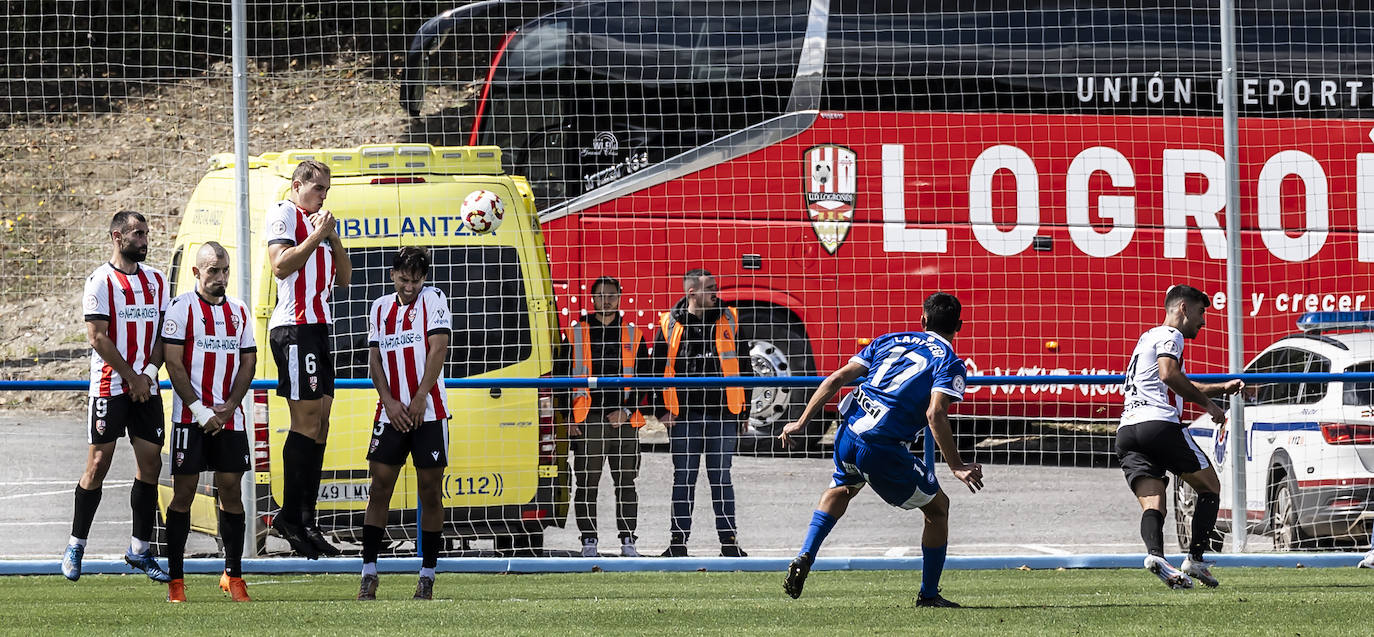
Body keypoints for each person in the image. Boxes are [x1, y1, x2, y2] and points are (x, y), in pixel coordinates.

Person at [778, 292, 983, 608]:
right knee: (938, 508)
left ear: (922, 320)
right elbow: (935, 414)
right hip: (883, 447)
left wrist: (801, 422)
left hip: (849, 432)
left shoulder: (890, 339)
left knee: (842, 487)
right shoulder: (950, 362)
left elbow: (836, 378)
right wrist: (956, 465)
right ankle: (928, 595)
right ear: (959, 326)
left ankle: (806, 552)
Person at [63, 210, 172, 583]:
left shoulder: (157, 280)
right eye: (137, 234)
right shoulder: (100, 281)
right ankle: (77, 544)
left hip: (146, 386)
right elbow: (98, 338)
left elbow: (163, 336)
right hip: (111, 387)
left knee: (151, 465)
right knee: (98, 465)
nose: (144, 240)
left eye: (146, 234)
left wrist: (149, 375)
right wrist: (131, 378)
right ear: (117, 236)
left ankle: (140, 549)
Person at [1118, 284, 1243, 589]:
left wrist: (1219, 388)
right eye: (1201, 312)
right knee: (1211, 487)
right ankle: (1196, 559)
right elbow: (1169, 375)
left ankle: (1156, 557)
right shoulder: (1170, 335)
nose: (1204, 321)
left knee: (1154, 504)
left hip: (1127, 431)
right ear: (1183, 308)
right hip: (1159, 426)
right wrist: (1210, 406)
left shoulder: (1147, 337)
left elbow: (1172, 379)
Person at [264, 159, 352, 558]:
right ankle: (288, 516)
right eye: (318, 189)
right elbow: (281, 266)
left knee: (322, 424)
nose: (324, 197)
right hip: (294, 328)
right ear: (298, 186)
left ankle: (306, 518)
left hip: (320, 327)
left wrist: (332, 239)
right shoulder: (285, 213)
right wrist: (318, 235)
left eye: (327, 191)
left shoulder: (323, 225)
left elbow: (346, 279)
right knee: (306, 421)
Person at [159, 242, 256, 603]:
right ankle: (176, 581)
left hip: (230, 418)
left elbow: (248, 362)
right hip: (190, 418)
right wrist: (201, 411)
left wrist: (229, 408)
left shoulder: (240, 310)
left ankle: (233, 574)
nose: (220, 277)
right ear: (197, 272)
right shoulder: (181, 308)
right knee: (183, 494)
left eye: (224, 269)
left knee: (231, 489)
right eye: (212, 270)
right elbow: (173, 363)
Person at [357, 247, 451, 601]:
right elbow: (375, 359)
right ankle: (368, 572)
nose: (408, 286)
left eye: (415, 280)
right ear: (393, 274)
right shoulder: (380, 307)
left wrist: (418, 397)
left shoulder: (434, 299)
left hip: (428, 411)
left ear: (423, 279)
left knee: (429, 489)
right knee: (379, 487)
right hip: (391, 412)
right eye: (403, 278)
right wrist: (392, 402)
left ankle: (427, 573)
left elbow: (438, 347)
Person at [648, 268, 749, 557]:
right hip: (685, 417)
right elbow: (654, 371)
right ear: (692, 292)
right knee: (684, 478)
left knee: (721, 478)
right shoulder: (669, 323)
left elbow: (745, 367)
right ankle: (678, 544)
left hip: (723, 414)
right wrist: (659, 411)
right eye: (710, 288)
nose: (716, 293)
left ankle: (729, 544)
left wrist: (743, 412)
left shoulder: (729, 318)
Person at [560, 276, 650, 558]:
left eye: (611, 295)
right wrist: (569, 419)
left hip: (623, 422)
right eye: (601, 295)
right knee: (587, 483)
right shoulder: (576, 332)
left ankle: (628, 539)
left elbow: (646, 381)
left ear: (620, 297)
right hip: (588, 421)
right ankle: (589, 540)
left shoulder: (634, 334)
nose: (606, 300)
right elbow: (561, 378)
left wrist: (628, 411)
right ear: (592, 298)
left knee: (626, 483)